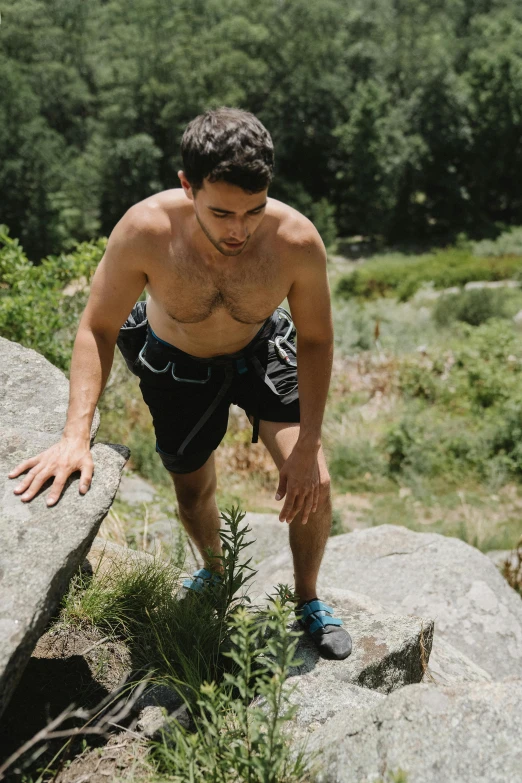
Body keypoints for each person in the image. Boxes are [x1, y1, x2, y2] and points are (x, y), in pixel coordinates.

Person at [9, 107, 352, 660]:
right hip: (178, 363)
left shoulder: (296, 241)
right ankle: (215, 572)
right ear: (186, 186)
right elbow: (97, 326)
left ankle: (308, 598)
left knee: (318, 480)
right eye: (221, 212)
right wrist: (76, 435)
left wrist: (309, 441)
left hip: (263, 347)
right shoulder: (145, 230)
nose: (239, 230)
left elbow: (315, 339)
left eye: (254, 210)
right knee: (193, 491)